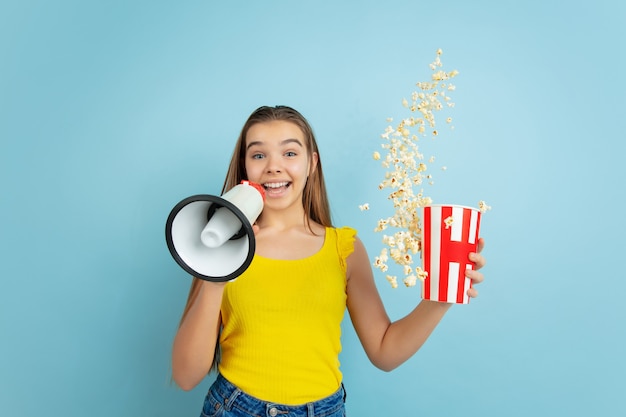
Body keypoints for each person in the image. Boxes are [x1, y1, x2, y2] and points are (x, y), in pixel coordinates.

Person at [171, 105, 486, 417]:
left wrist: (441, 301)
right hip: (234, 408)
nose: (273, 167)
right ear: (245, 168)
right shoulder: (219, 243)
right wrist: (217, 272)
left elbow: (385, 352)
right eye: (258, 155)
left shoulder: (344, 249)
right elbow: (186, 376)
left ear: (312, 163)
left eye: (290, 153)